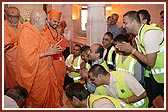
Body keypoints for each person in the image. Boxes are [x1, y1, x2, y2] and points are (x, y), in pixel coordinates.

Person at [115, 11, 164, 107]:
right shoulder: (138, 36)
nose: (123, 26)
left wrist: (131, 50)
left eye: (125, 23)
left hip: (162, 75)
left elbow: (150, 62)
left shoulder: (149, 34)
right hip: (155, 76)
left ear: (134, 22)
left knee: (160, 104)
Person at [16, 9, 62, 108]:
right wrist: (47, 52)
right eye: (45, 19)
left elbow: (43, 46)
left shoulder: (39, 31)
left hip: (47, 72)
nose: (46, 22)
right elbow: (27, 58)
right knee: (39, 101)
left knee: (51, 99)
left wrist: (51, 49)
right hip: (38, 75)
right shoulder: (27, 33)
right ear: (37, 19)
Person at [44, 9, 67, 106]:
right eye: (54, 21)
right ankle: (52, 103)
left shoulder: (58, 30)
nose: (56, 23)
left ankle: (59, 101)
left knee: (60, 82)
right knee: (52, 84)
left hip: (60, 60)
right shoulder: (44, 31)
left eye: (58, 22)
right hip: (50, 61)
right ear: (48, 20)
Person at [65, 83, 134, 108]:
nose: (70, 104)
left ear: (74, 99)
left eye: (69, 100)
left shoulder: (100, 105)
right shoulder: (91, 100)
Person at [4, 6, 23, 89]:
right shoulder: (3, 27)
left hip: (23, 62)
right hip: (9, 62)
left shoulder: (22, 27)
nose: (13, 19)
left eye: (15, 17)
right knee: (12, 86)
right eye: (10, 16)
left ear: (19, 17)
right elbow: (7, 43)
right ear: (6, 16)